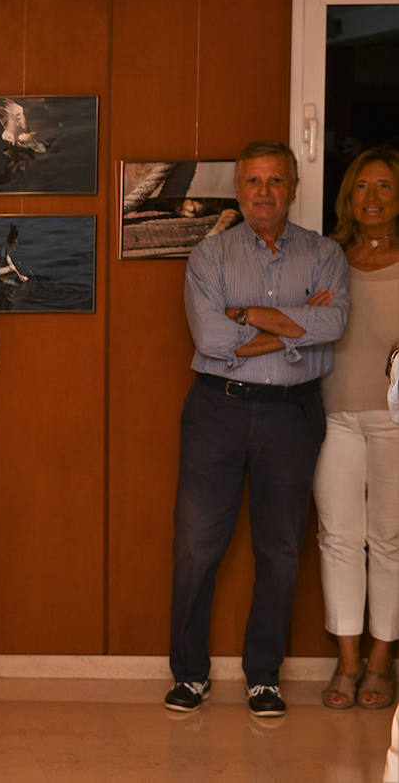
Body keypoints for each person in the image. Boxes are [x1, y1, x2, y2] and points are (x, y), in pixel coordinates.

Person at [164, 140, 349, 718]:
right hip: (216, 411)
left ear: (292, 188)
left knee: (281, 549)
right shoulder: (210, 256)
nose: (263, 191)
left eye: (275, 180)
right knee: (196, 549)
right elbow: (211, 341)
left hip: (292, 415)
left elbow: (334, 321)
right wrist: (296, 326)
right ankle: (189, 675)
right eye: (253, 181)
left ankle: (263, 675)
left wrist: (244, 315)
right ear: (238, 189)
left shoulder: (325, 256)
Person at [313, 147, 399, 710]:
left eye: (385, 186)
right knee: (339, 540)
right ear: (348, 196)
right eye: (362, 186)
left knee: (390, 542)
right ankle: (346, 662)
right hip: (334, 418)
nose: (372, 197)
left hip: (396, 421)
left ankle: (380, 664)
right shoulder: (327, 261)